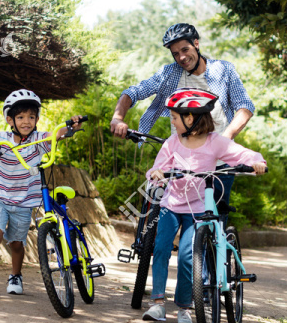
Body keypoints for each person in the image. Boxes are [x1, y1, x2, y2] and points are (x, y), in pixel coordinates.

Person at [142, 89, 266, 323]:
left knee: (189, 255)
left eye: (175, 118)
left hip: (198, 208)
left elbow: (242, 154)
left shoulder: (215, 142)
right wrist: (156, 173)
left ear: (191, 118)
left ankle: (184, 307)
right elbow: (156, 169)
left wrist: (257, 162)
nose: (172, 121)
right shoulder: (172, 143)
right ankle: (157, 303)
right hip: (171, 205)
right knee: (161, 248)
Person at [109, 23, 256, 205]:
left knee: (213, 221)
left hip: (218, 166)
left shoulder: (223, 70)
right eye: (176, 53)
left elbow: (245, 106)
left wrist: (225, 138)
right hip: (179, 164)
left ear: (196, 43)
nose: (182, 57)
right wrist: (118, 118)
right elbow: (133, 92)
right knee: (163, 213)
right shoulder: (170, 73)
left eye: (185, 49)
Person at [0, 89, 83, 297]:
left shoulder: (39, 140)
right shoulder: (0, 139)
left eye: (31, 116)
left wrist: (70, 127)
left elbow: (56, 134)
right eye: (20, 117)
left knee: (16, 244)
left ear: (37, 118)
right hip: (0, 198)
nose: (26, 121)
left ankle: (15, 276)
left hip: (24, 202)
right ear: (10, 120)